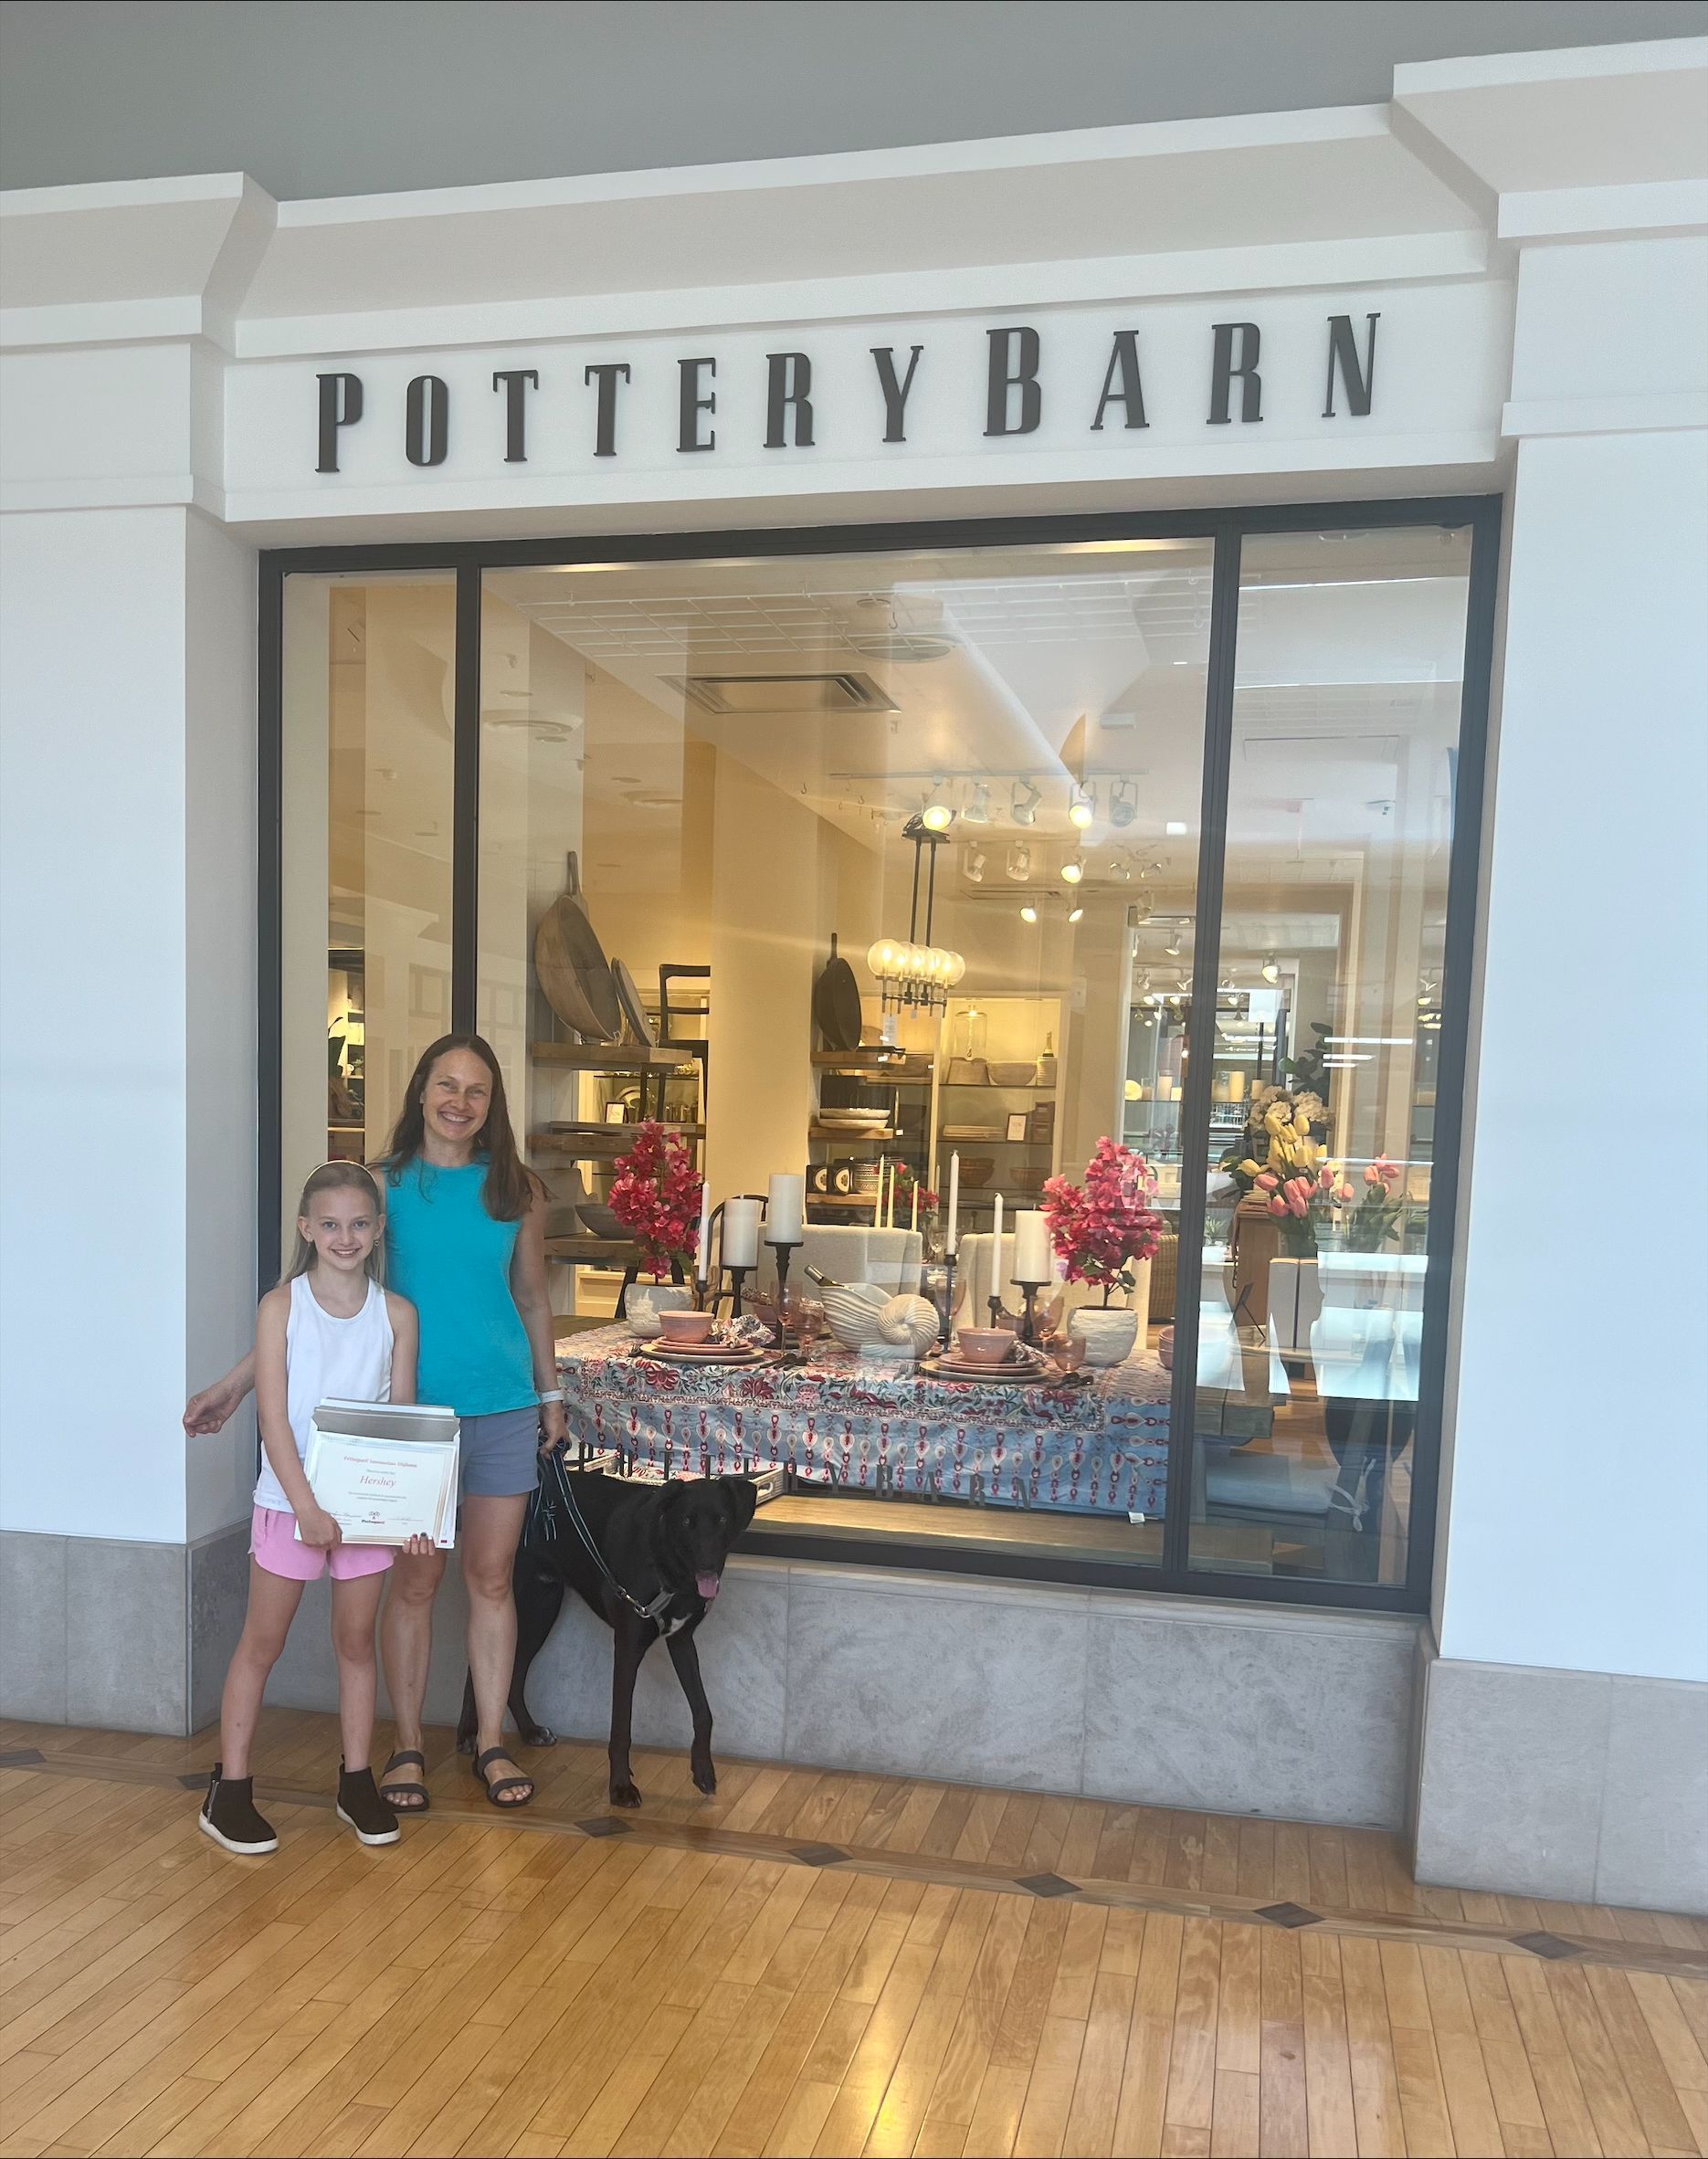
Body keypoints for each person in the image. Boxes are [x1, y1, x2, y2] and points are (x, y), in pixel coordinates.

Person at [185, 1035, 567, 1811]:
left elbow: (532, 1299)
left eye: (478, 1091)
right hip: (405, 1424)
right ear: (421, 1090)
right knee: (416, 1583)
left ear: (492, 1104)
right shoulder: (380, 1188)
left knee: (492, 1579)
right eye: (447, 1085)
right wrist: (235, 1383)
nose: (460, 1102)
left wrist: (550, 1395)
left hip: (502, 1406)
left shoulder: (517, 1190)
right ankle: (408, 1748)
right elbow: (317, 1304)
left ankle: (492, 1742)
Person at [200, 1161, 420, 1855]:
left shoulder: (397, 1315)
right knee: (261, 1643)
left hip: (363, 1515)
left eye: (358, 1224)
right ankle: (230, 1790)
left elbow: (400, 1428)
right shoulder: (281, 1308)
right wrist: (306, 1508)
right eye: (330, 1224)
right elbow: (272, 1420)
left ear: (378, 1229)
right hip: (288, 1503)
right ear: (306, 1229)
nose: (345, 1237)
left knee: (356, 1644)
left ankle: (356, 1782)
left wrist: (406, 1517)